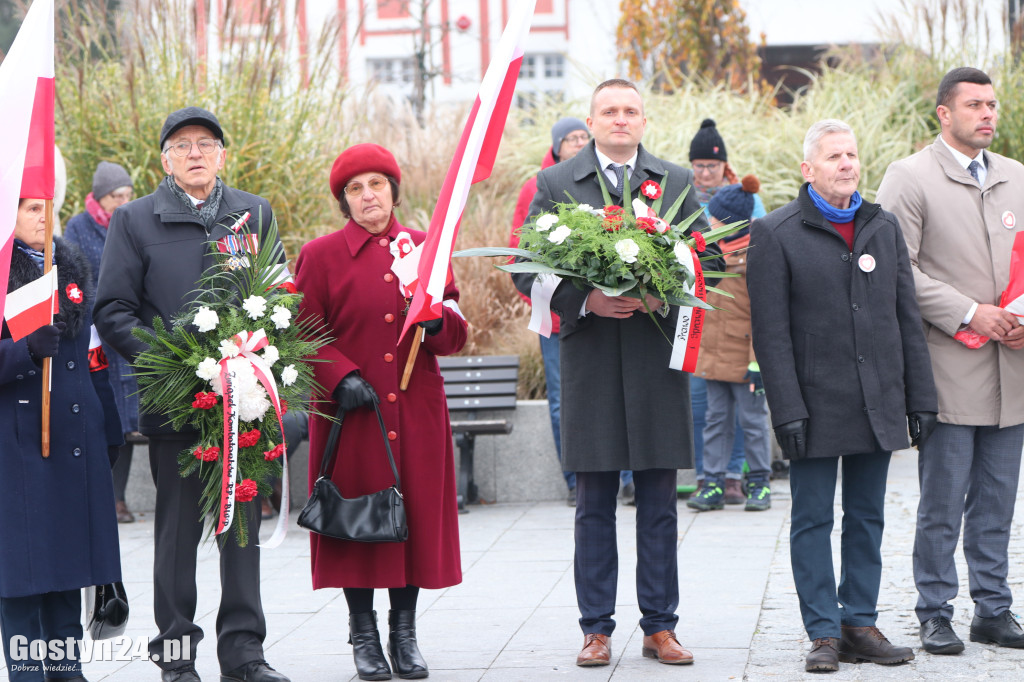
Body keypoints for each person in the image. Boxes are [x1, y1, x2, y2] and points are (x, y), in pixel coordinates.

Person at [514, 78, 710, 668]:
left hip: (654, 358)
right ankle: (595, 630)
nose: (620, 120)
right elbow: (526, 269)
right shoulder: (555, 183)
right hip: (592, 360)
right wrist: (584, 301)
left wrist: (665, 297)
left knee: (657, 500)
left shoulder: (674, 181)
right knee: (594, 503)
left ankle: (660, 627)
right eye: (609, 111)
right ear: (592, 122)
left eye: (630, 111)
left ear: (643, 121)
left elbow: (709, 258)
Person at [94, 107, 290, 682]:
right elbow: (114, 311)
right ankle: (176, 655)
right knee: (176, 534)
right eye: (182, 146)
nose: (195, 153)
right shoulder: (134, 220)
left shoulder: (252, 214)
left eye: (206, 143)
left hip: (245, 400)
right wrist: (179, 364)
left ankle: (244, 654)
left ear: (223, 154)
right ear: (165, 161)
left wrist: (256, 357)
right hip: (179, 402)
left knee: (242, 529)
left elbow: (277, 296)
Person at [748, 119, 937, 673]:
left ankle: (859, 623)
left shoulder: (883, 226)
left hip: (875, 402)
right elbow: (771, 333)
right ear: (809, 169)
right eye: (834, 156)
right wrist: (786, 407)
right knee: (811, 519)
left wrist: (918, 398)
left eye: (852, 154)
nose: (847, 164)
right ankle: (824, 633)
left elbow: (907, 319)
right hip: (812, 403)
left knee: (867, 517)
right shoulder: (777, 232)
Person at [294, 143, 467, 681]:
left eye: (377, 184)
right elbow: (303, 331)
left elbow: (455, 334)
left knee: (409, 519)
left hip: (415, 414)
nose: (369, 196)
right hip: (354, 417)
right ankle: (363, 633)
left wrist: (436, 319)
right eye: (355, 189)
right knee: (358, 523)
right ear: (344, 202)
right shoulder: (320, 256)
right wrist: (339, 375)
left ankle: (404, 633)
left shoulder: (425, 249)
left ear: (393, 189)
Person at [876, 66, 1024, 655]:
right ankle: (934, 610)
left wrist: (1015, 318)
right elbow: (894, 269)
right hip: (948, 368)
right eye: (974, 106)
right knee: (942, 502)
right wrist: (969, 311)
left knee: (998, 500)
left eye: (992, 105)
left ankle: (994, 608)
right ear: (944, 113)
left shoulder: (1017, 177)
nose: (987, 114)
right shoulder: (908, 177)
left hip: (1011, 370)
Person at [0, 197, 123, 681]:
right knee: (24, 574)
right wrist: (23, 351)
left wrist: (108, 425)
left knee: (68, 567)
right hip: (17, 447)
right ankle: (29, 672)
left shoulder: (70, 266)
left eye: (46, 206)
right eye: (29, 207)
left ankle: (66, 668)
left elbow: (94, 357)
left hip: (74, 435)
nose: (41, 216)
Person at [509, 117, 634, 507]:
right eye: (571, 138)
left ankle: (628, 475)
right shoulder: (541, 184)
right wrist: (555, 304)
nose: (578, 142)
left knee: (621, 393)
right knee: (565, 399)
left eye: (583, 136)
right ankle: (575, 478)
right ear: (557, 146)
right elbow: (524, 255)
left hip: (613, 315)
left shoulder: (610, 178)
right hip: (560, 319)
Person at [688, 118, 766, 503]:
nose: (705, 171)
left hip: (744, 355)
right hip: (713, 353)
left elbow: (764, 317)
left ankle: (753, 479)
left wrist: (758, 361)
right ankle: (713, 479)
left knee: (751, 420)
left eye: (711, 164)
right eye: (698, 164)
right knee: (713, 418)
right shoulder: (712, 256)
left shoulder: (754, 260)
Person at [65, 160, 139, 524]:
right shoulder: (78, 226)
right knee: (109, 419)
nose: (124, 201)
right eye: (117, 196)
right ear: (100, 197)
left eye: (128, 194)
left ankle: (121, 499)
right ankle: (113, 499)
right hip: (96, 336)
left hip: (129, 333)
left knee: (135, 418)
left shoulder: (134, 222)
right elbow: (76, 275)